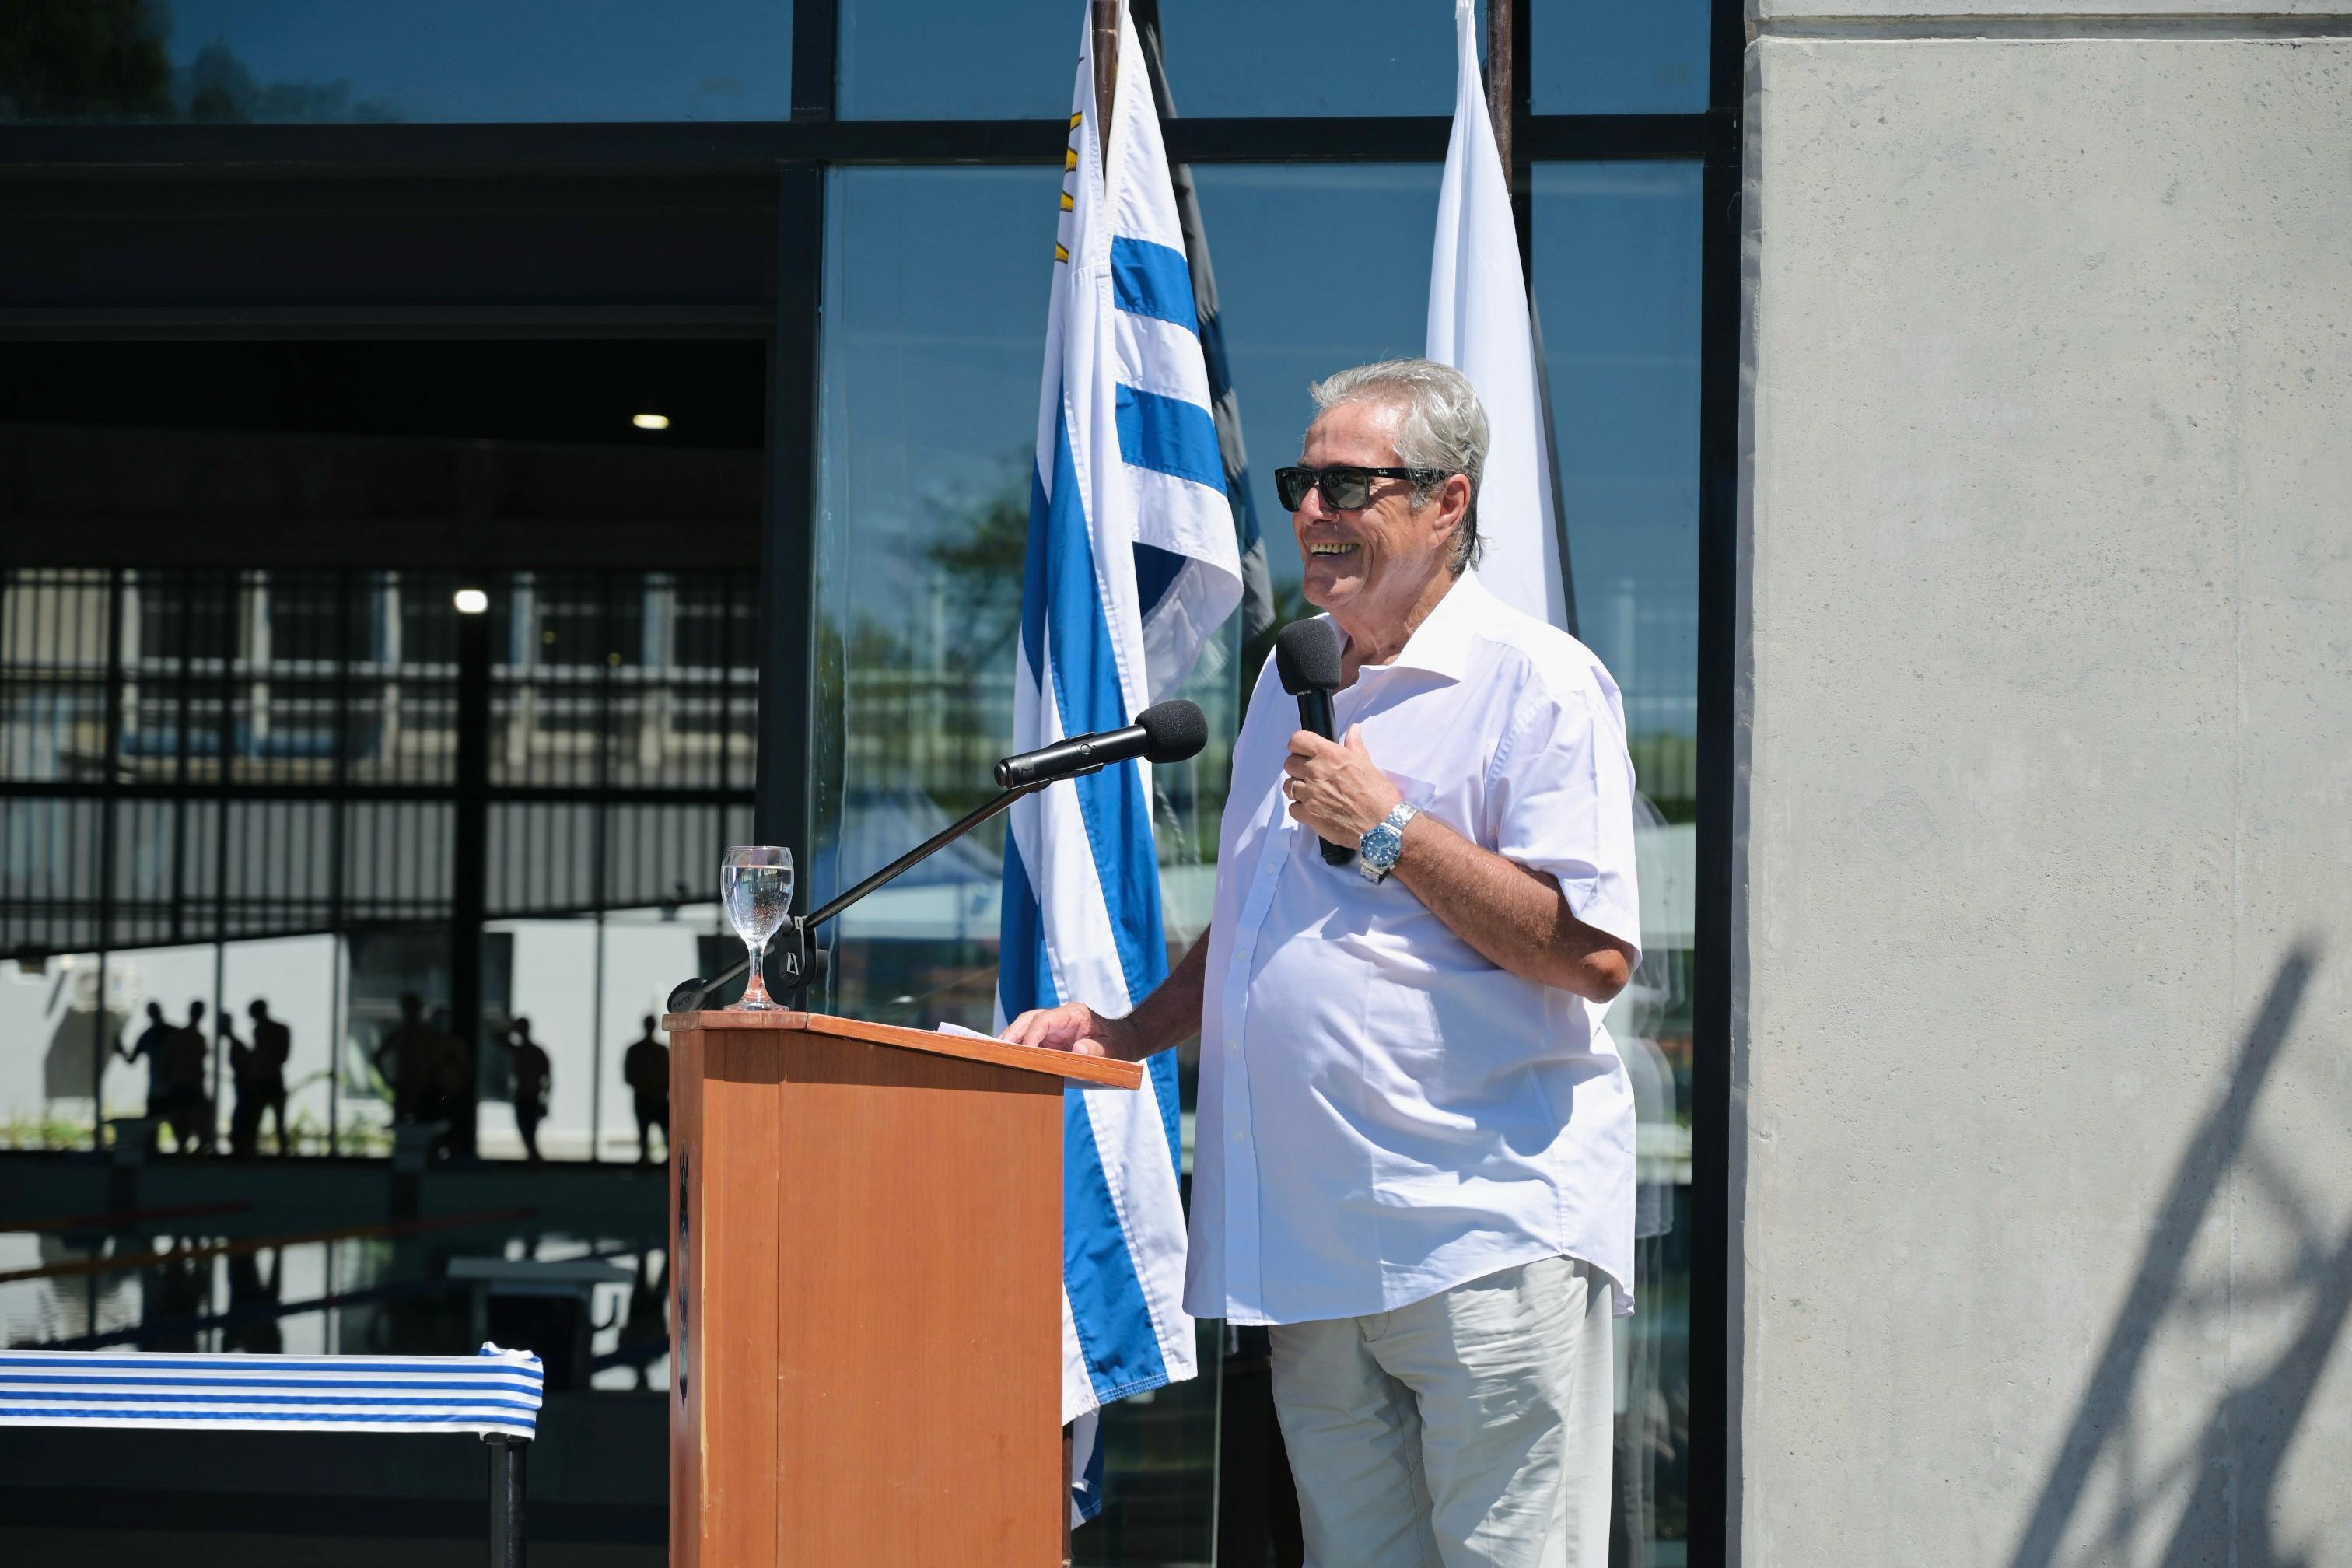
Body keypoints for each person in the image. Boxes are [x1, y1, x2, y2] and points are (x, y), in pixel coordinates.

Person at [1004, 359, 1643, 1567]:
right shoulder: (1289, 681)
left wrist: (1392, 829)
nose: (1310, 511)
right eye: (1303, 480)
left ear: (1447, 503)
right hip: (1307, 1249)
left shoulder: (1538, 680)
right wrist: (1130, 1031)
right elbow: (1256, 915)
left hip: (1481, 1234)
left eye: (1348, 484)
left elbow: (1594, 954)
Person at [116, 1002, 177, 1153]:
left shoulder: (149, 1035)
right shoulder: (170, 1033)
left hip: (162, 1089)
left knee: (156, 1128)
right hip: (168, 1089)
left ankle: (154, 1154)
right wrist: (121, 1050)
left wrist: (121, 1050)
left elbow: (131, 1060)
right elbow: (131, 1059)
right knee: (171, 1127)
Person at [622, 1015, 670, 1164]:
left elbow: (669, 1075)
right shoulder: (658, 1051)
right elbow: (629, 1076)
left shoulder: (638, 1050)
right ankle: (647, 1157)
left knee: (662, 1130)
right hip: (650, 1097)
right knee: (648, 1131)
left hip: (652, 1097)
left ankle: (651, 1157)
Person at [504, 1017, 551, 1162]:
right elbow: (547, 1080)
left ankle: (534, 1159)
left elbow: (547, 1079)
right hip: (525, 1095)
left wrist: (544, 1100)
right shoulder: (531, 1052)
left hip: (529, 1096)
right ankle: (534, 1158)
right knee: (527, 1132)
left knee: (528, 1131)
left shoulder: (529, 1052)